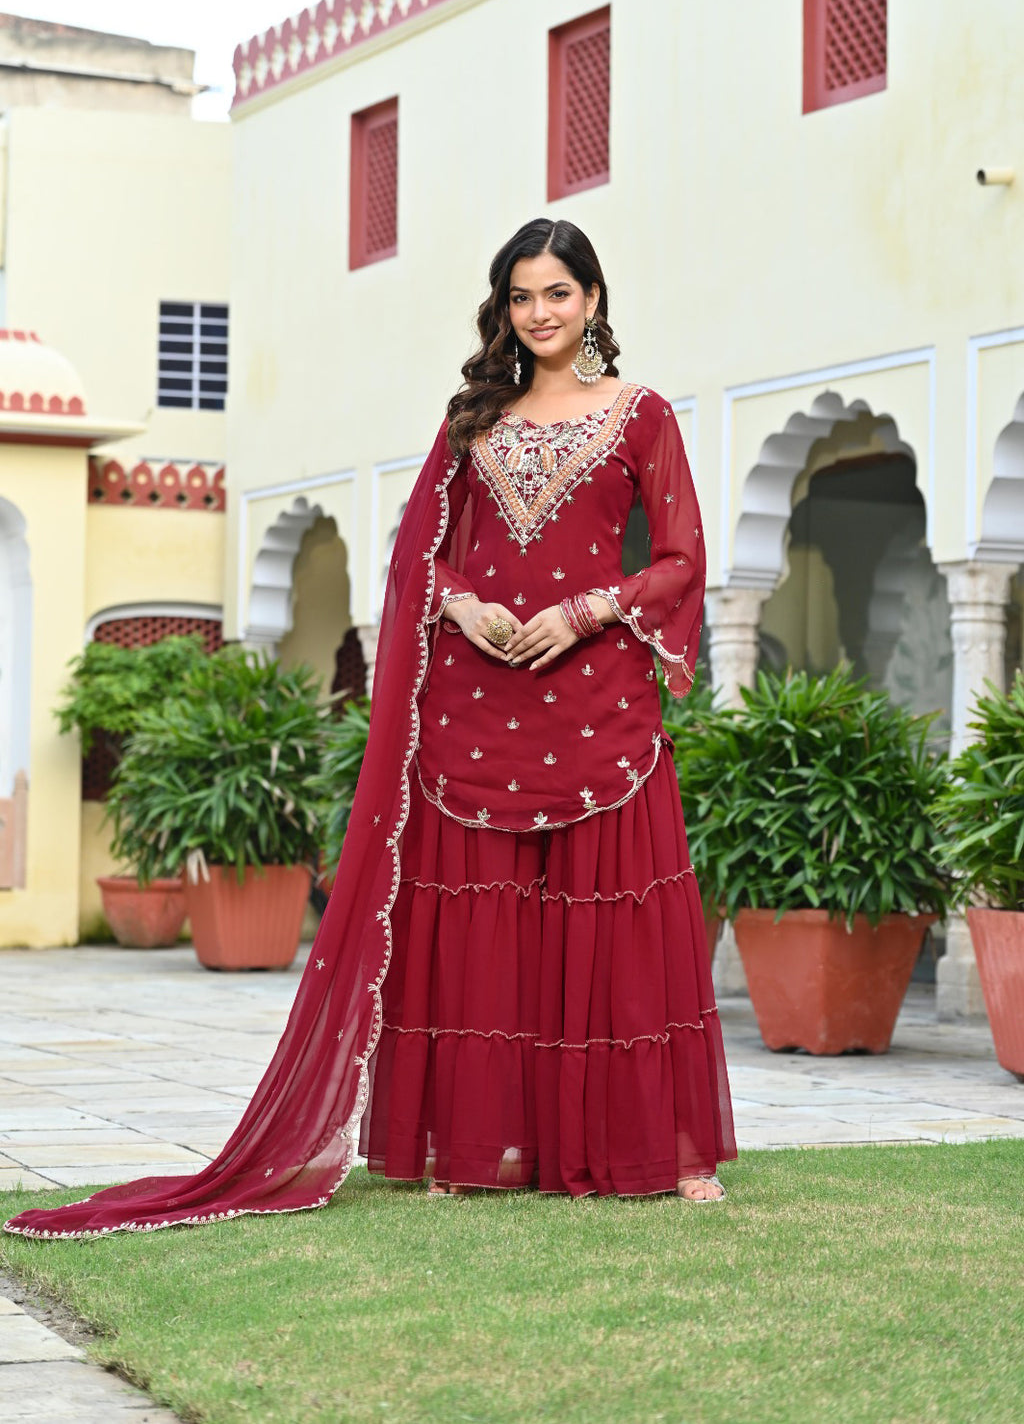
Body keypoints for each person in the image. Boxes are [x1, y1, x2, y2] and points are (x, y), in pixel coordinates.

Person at [4, 219, 734, 1242]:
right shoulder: (472, 418)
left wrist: (582, 612)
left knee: (605, 919)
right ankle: (479, 1147)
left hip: (593, 701)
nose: (539, 314)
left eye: (558, 294)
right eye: (522, 296)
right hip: (478, 701)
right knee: (485, 930)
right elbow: (416, 558)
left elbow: (681, 559)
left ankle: (661, 1148)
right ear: (503, 307)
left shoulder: (641, 414)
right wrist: (464, 605)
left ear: (594, 301)